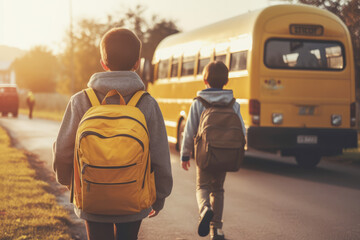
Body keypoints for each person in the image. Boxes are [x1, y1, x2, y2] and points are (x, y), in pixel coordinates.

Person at [52, 28, 173, 240]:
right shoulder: (146, 103)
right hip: (134, 199)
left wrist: (72, 184)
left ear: (103, 63)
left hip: (92, 196)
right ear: (137, 63)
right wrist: (159, 197)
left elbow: (62, 150)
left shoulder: (81, 101)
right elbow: (160, 155)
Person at [180, 61, 246, 240]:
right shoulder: (233, 103)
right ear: (226, 81)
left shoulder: (199, 102)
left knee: (202, 186)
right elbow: (241, 129)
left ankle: (204, 209)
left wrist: (185, 154)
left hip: (205, 154)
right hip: (226, 153)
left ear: (205, 80)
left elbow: (189, 131)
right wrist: (240, 150)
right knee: (218, 189)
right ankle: (216, 230)